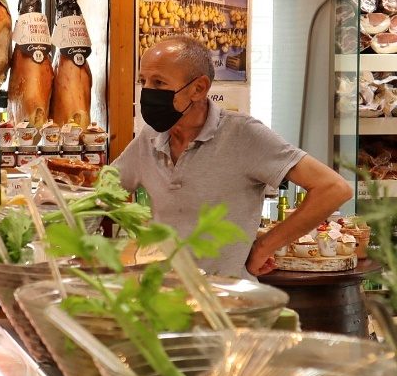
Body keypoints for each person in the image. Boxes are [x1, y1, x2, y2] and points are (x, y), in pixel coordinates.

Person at [114, 36, 352, 277]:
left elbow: (333, 188)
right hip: (164, 297)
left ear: (198, 88)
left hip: (226, 300)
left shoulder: (244, 134)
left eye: (159, 83)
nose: (147, 92)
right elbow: (104, 189)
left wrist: (264, 247)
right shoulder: (151, 136)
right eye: (143, 81)